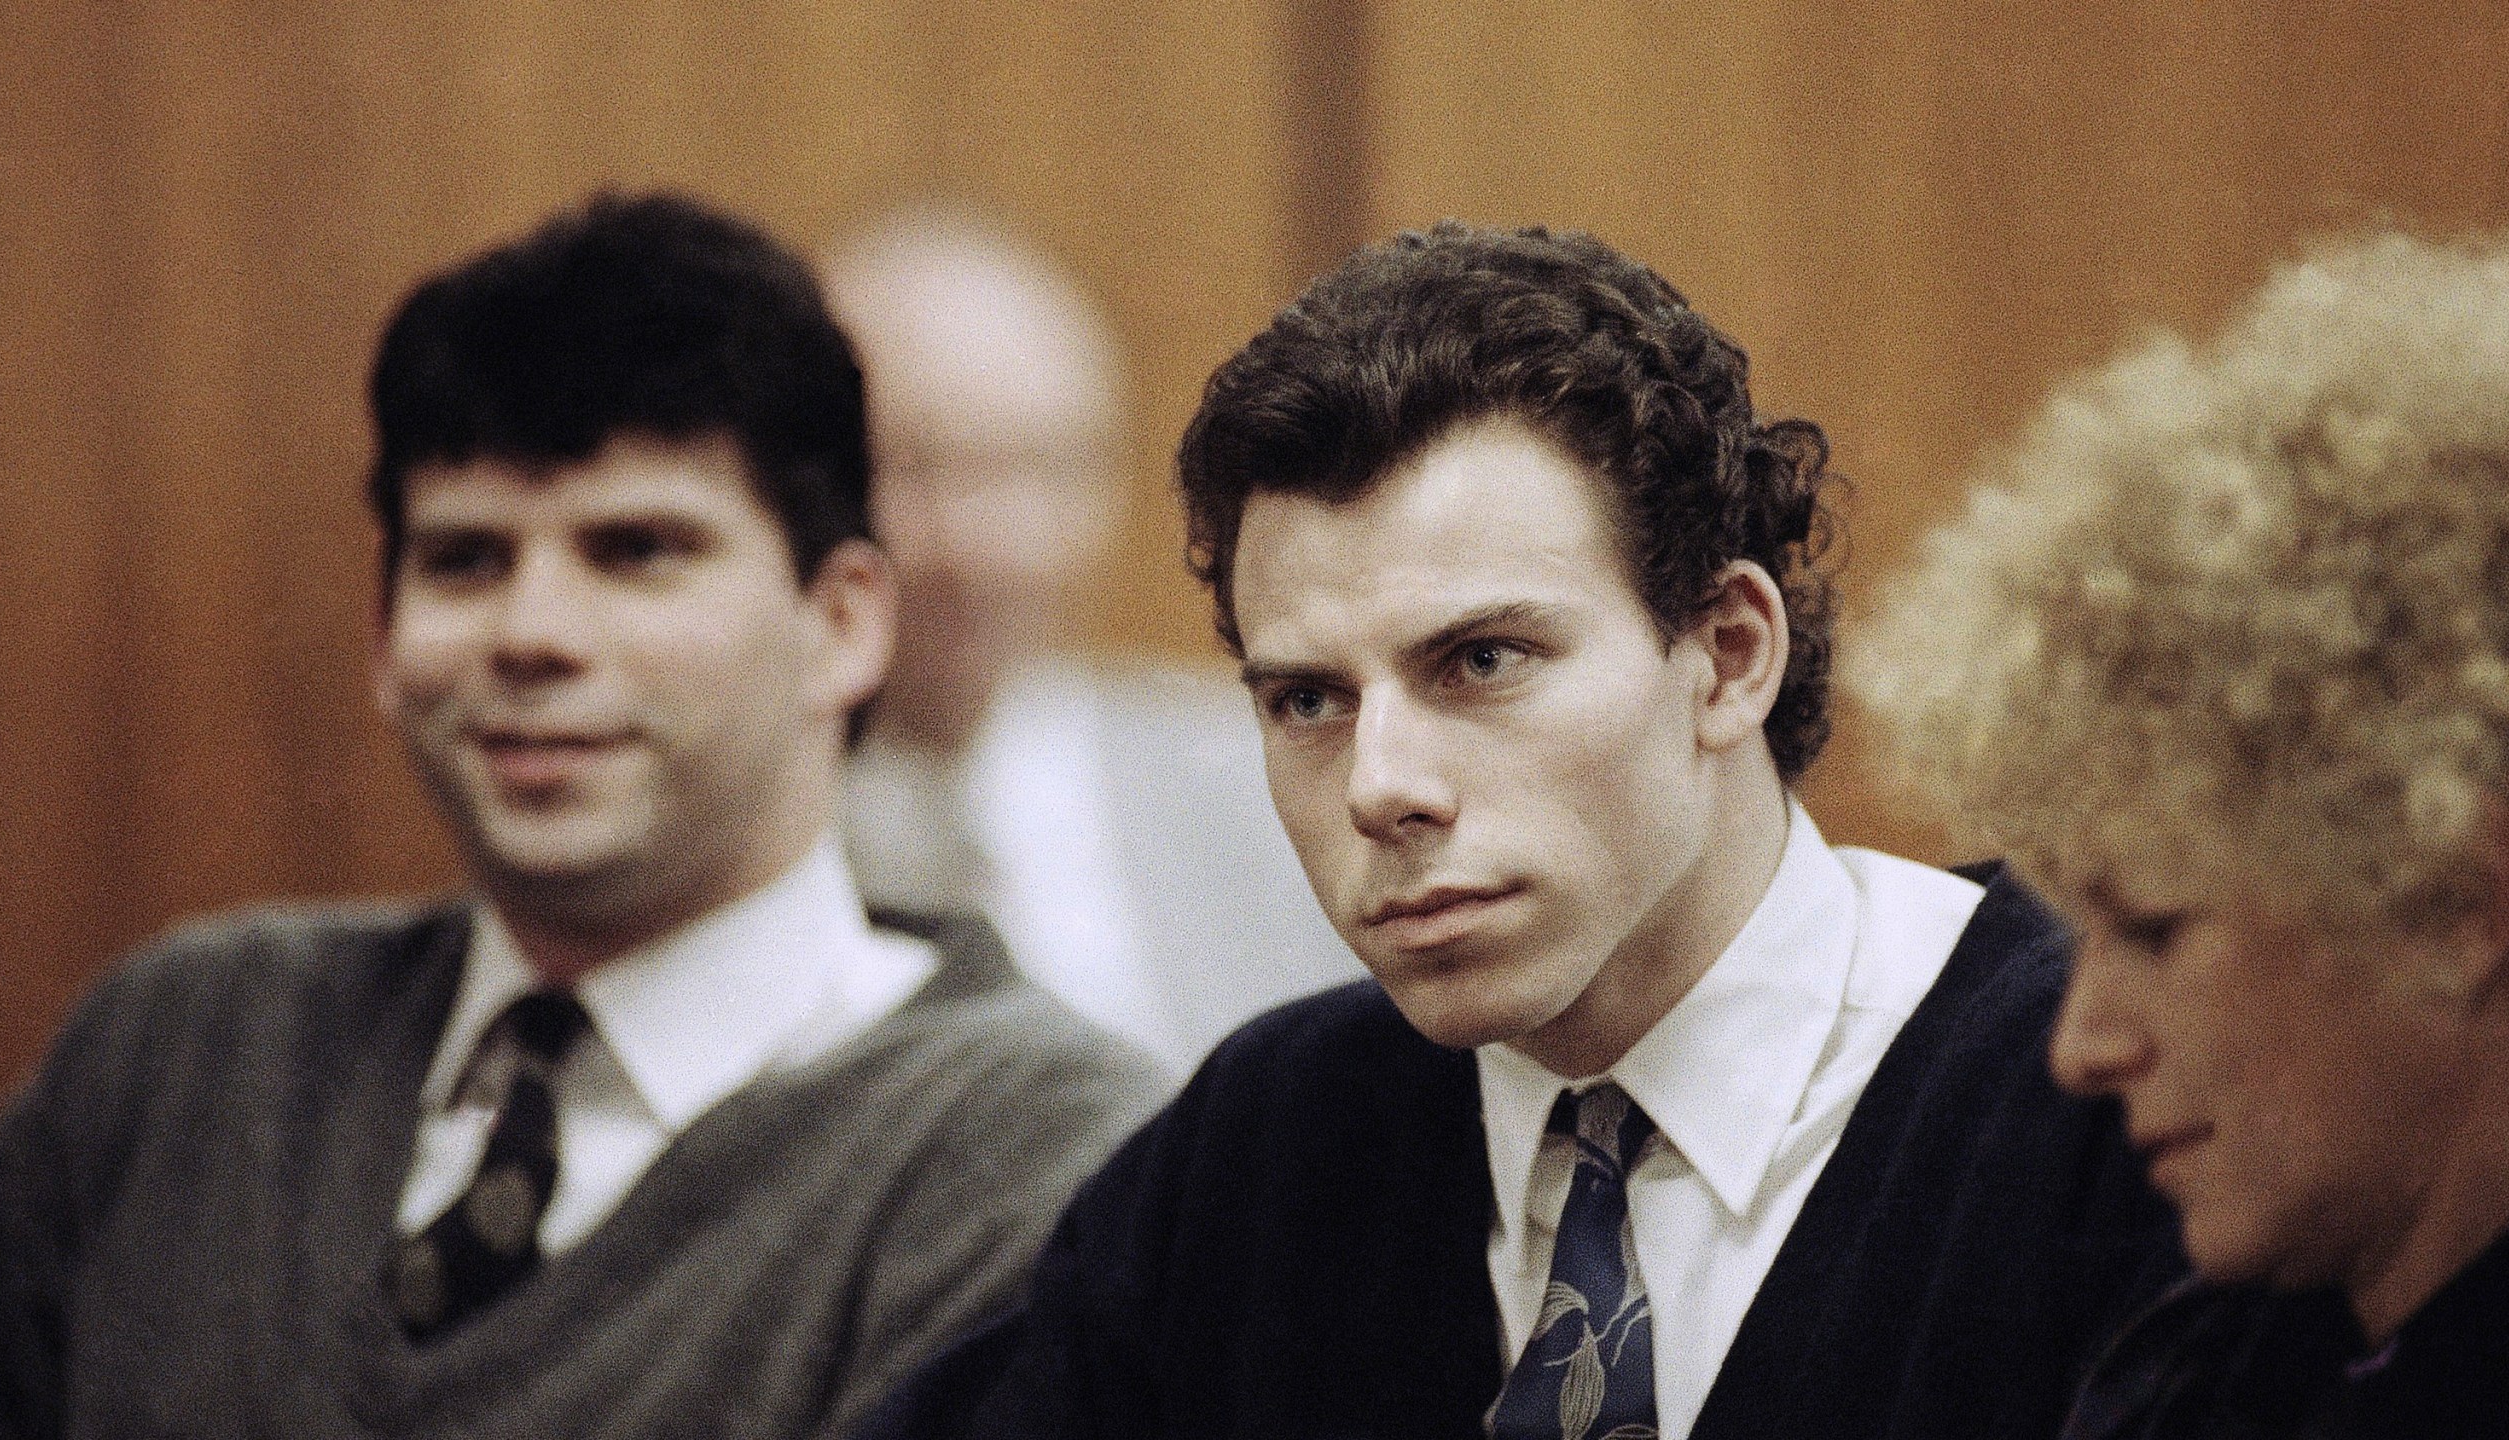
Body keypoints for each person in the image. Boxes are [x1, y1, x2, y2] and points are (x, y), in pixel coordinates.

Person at [862, 221, 2181, 1440]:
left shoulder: (2111, 1086)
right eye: (1309, 699)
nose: (1380, 785)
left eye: (1482, 662)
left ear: (1726, 656)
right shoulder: (1262, 1157)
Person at [0, 192, 1168, 1440]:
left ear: (841, 624)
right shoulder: (180, 1055)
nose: (532, 635)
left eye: (636, 551)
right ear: (383, 637)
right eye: (465, 559)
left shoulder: (1038, 1169)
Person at [1852, 230, 2509, 1438]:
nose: (2079, 1048)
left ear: (2458, 901)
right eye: (2077, 934)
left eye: (2153, 930)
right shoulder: (2195, 1370)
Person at [820, 208, 1357, 1067]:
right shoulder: (726, 831)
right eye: (916, 468)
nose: (984, 545)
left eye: (1038, 469)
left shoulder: (1278, 775)